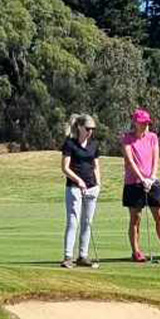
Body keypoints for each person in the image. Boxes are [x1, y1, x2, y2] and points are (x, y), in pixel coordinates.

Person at [121, 109, 160, 262]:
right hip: (134, 183)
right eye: (142, 123)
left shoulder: (153, 137)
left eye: (147, 123)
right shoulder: (127, 139)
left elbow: (156, 158)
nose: (145, 125)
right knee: (136, 218)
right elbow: (130, 161)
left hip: (152, 182)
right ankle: (136, 251)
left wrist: (152, 177)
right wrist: (142, 178)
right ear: (135, 123)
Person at [60, 114, 101, 268]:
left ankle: (83, 256)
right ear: (79, 127)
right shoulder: (70, 144)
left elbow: (96, 166)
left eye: (92, 129)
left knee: (87, 222)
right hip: (74, 187)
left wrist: (98, 184)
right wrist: (79, 181)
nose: (90, 131)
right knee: (73, 221)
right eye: (88, 128)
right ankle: (68, 257)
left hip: (91, 187)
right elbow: (65, 168)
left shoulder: (94, 144)